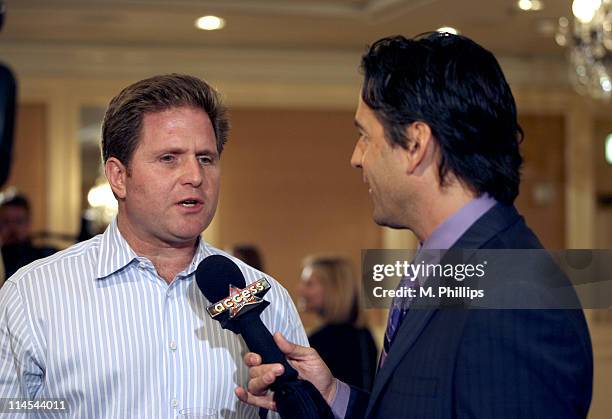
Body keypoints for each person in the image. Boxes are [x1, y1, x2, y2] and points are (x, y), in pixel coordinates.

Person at [236, 33, 593, 418]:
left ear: (415, 145)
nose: (356, 158)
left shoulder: (516, 302)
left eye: (364, 136)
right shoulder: (448, 265)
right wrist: (331, 393)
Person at [0, 74, 308, 418]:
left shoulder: (269, 300)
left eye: (206, 158)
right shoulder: (32, 296)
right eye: (169, 158)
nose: (195, 175)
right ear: (118, 177)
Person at [299, 255, 377, 391]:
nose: (300, 289)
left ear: (333, 289)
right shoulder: (363, 334)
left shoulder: (322, 341)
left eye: (309, 284)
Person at [0, 193, 57, 278]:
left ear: (28, 223)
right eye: (6, 221)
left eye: (19, 221)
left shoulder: (44, 257)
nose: (12, 227)